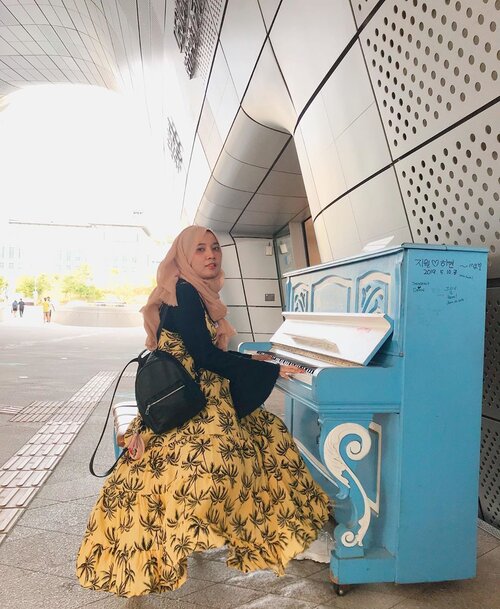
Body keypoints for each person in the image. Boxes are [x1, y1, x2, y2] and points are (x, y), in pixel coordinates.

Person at [76, 226, 330, 597]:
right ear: (183, 257)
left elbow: (205, 355)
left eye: (215, 248)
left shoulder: (191, 292)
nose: (211, 255)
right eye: (200, 249)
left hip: (190, 392)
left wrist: (255, 359)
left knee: (266, 439)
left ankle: (269, 530)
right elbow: (207, 357)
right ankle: (257, 530)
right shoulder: (185, 293)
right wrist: (271, 368)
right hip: (188, 400)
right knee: (235, 454)